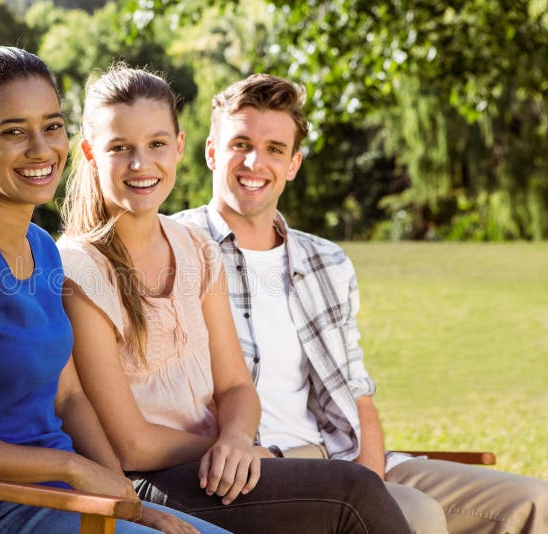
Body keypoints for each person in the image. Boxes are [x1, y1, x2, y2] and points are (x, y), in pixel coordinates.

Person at [173, 73, 548, 534]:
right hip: (257, 471)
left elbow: (356, 389)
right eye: (240, 144)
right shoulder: (175, 247)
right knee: (417, 516)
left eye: (274, 149)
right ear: (212, 151)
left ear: (293, 164)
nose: (255, 162)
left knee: (534, 504)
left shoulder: (327, 261)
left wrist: (369, 478)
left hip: (346, 457)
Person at [0, 46, 229, 534]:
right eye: (13, 131)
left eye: (51, 126)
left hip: (63, 503)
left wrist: (129, 502)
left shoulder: (41, 247)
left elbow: (68, 397)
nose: (41, 148)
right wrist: (69, 468)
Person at [57, 64, 410, 534]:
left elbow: (236, 388)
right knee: (352, 492)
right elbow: (130, 444)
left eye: (157, 144)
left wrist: (238, 437)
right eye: (120, 148)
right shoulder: (79, 267)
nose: (141, 164)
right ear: (89, 154)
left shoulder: (196, 249)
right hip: (148, 482)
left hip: (218, 466)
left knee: (353, 489)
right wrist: (224, 447)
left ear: (179, 147)